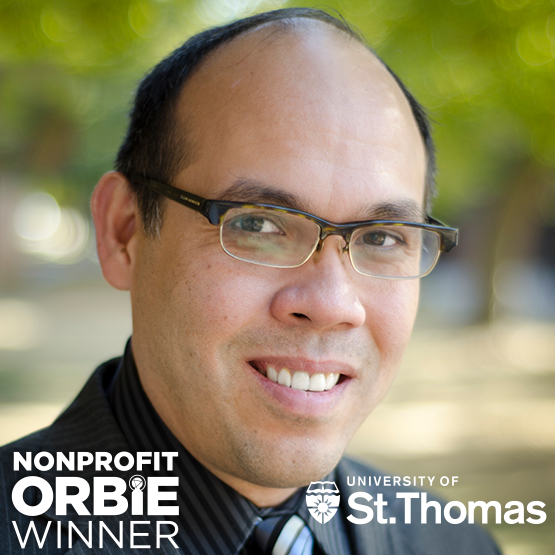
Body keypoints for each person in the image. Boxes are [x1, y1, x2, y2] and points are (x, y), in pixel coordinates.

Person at [0, 7, 501, 555]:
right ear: (124, 233)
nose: (332, 303)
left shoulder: (457, 543)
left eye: (381, 237)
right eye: (258, 225)